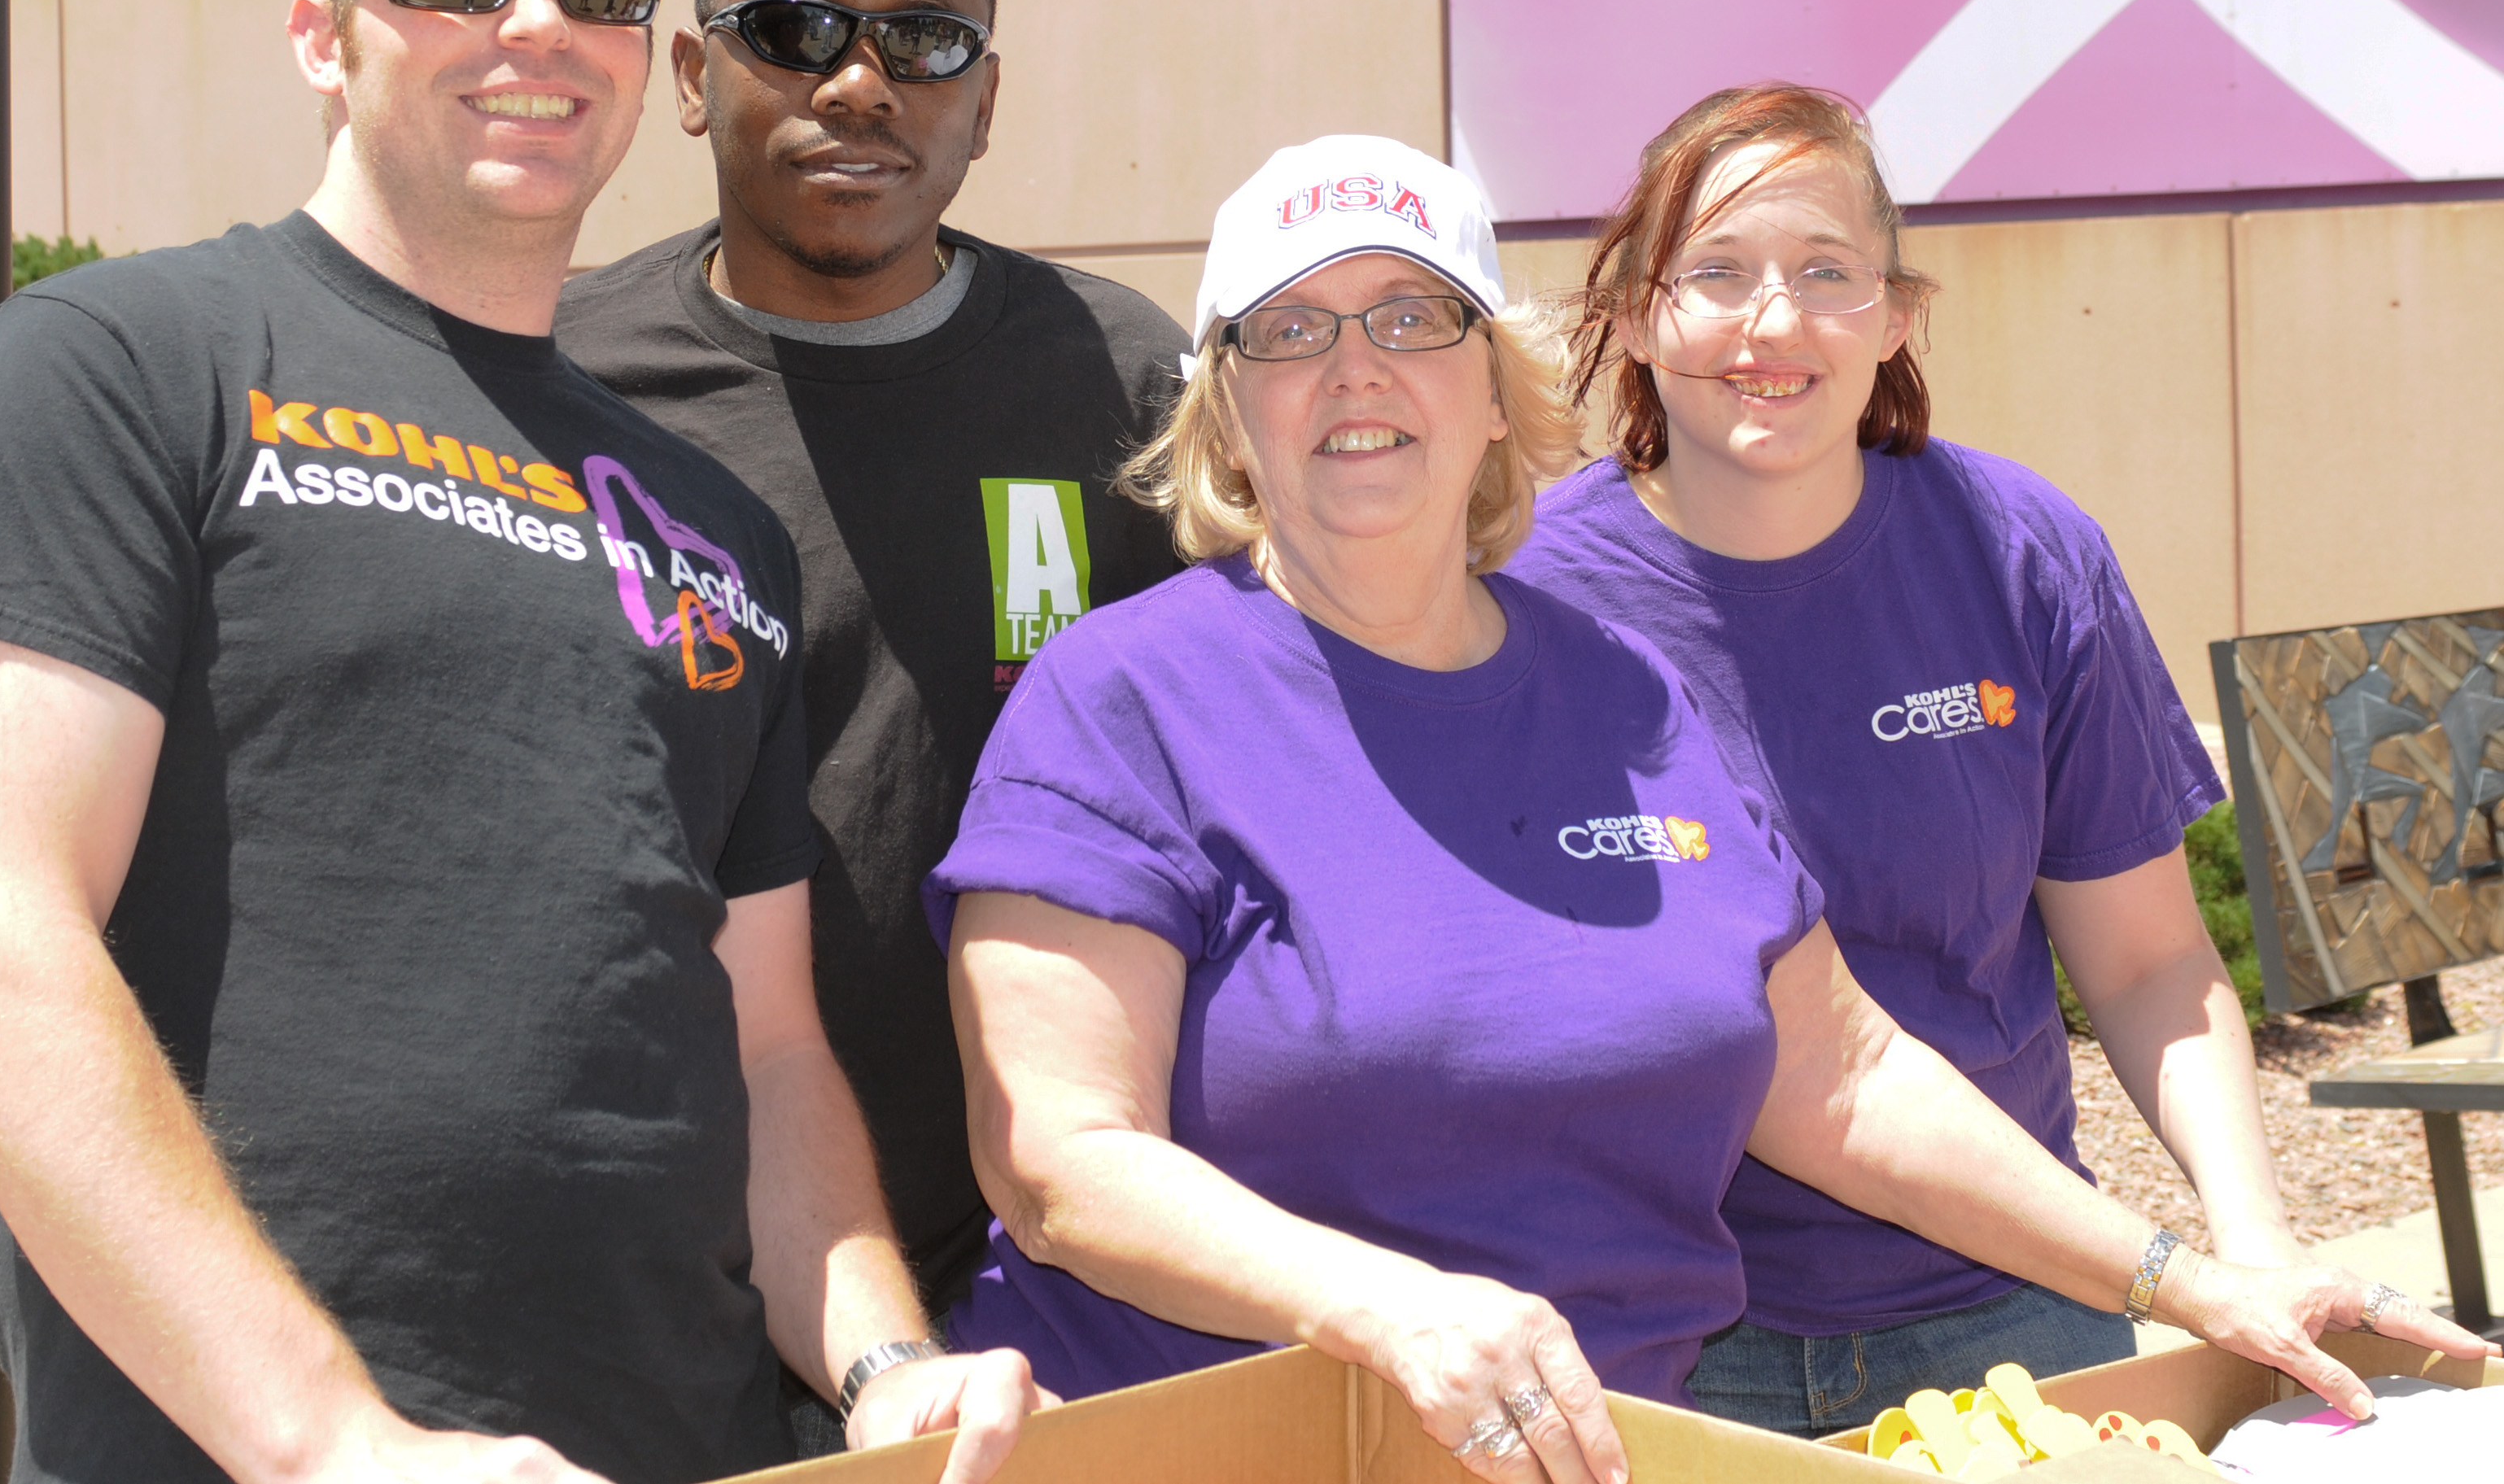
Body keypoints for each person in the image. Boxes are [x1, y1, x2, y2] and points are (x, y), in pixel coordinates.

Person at [922, 133, 2483, 1484]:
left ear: (1494, 384)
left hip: (1622, 1444)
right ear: (1224, 405)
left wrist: (2192, 1274)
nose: (1356, 368)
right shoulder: (1123, 697)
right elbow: (1058, 1157)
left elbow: (1848, 1075)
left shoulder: (1622, 691)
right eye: (1290, 328)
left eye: (1414, 316)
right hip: (1243, 1443)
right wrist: (1386, 1303)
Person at [0, 0, 1037, 1484]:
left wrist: (881, 1367)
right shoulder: (123, 368)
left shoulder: (711, 528)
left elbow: (768, 1042)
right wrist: (337, 1442)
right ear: (319, 35)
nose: (539, 21)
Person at [1504, 83, 2301, 1435]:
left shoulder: (2023, 553)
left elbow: (2151, 961)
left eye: (1827, 272)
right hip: (1664, 1341)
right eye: (1717, 271)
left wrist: (2258, 1246)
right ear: (1637, 314)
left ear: (1896, 313)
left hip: (2025, 1301)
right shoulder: (1520, 602)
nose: (1774, 322)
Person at [557, 0, 1187, 1349]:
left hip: (1031, 1258)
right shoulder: (561, 390)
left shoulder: (1119, 380)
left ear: (985, 96)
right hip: (651, 1262)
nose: (860, 84)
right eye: (796, 31)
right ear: (698, 77)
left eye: (925, 39)